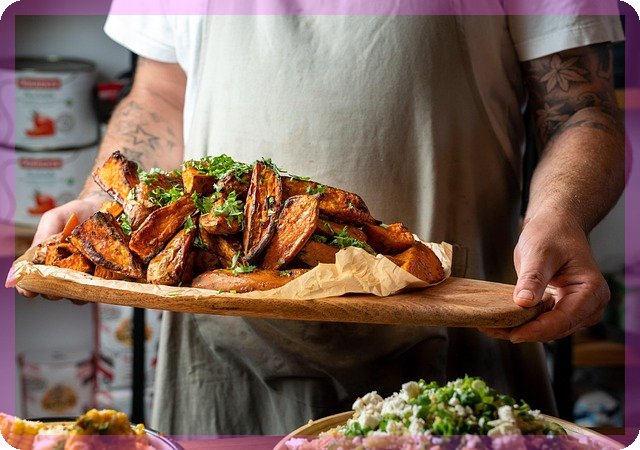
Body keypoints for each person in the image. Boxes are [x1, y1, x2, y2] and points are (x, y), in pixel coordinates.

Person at [8, 1, 628, 436]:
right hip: (222, 358)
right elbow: (160, 95)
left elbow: (581, 109)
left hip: (453, 337)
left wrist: (561, 215)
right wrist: (104, 208)